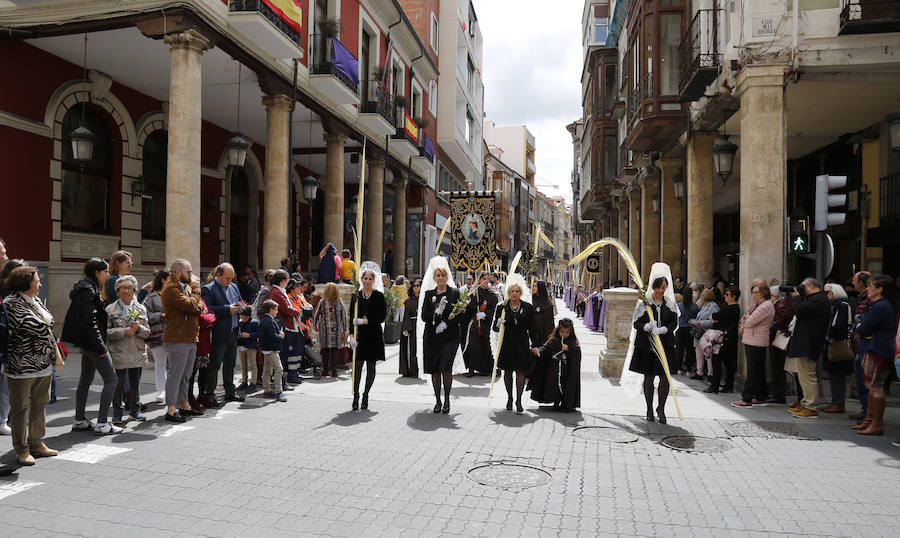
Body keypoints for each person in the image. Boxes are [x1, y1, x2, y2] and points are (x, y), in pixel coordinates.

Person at [3, 265, 58, 465]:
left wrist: (46, 326)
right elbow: (33, 326)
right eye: (37, 281)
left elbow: (49, 324)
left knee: (40, 404)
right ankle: (21, 448)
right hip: (21, 365)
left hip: (43, 363)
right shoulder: (11, 303)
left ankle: (37, 442)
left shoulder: (35, 301)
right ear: (25, 284)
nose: (40, 284)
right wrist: (46, 326)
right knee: (20, 408)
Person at [63, 258, 122, 435]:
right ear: (97, 273)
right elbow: (90, 322)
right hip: (93, 343)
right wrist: (101, 347)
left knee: (86, 379)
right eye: (105, 272)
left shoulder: (85, 288)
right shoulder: (88, 290)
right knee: (112, 380)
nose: (108, 275)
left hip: (86, 343)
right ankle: (103, 423)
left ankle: (79, 419)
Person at [629, 272, 678, 424]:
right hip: (647, 346)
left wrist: (664, 329)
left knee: (665, 378)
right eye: (658, 288)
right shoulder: (644, 303)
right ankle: (649, 408)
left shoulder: (670, 303)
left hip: (665, 345)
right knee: (648, 377)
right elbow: (635, 323)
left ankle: (661, 408)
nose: (661, 291)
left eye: (663, 288)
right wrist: (646, 326)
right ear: (653, 287)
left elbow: (674, 322)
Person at [160, 259, 203, 423]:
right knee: (175, 375)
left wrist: (194, 303)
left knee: (186, 374)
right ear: (177, 272)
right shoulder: (171, 288)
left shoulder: (184, 287)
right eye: (188, 272)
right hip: (177, 338)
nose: (191, 276)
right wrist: (197, 291)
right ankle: (171, 409)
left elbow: (198, 308)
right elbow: (192, 306)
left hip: (189, 336)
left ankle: (184, 405)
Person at [853, 274, 896, 435]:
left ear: (879, 290)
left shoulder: (881, 306)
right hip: (873, 348)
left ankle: (876, 423)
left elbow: (864, 327)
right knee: (870, 386)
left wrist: (860, 325)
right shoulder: (877, 305)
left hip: (879, 349)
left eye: (871, 287)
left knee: (876, 387)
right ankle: (869, 420)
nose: (868, 290)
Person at [492, 274, 541, 414]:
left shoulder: (528, 308)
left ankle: (518, 400)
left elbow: (533, 328)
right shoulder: (502, 307)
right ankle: (509, 397)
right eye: (512, 291)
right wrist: (498, 323)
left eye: (517, 291)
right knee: (507, 372)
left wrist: (535, 345)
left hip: (521, 343)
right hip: (506, 344)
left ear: (520, 293)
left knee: (520, 372)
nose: (514, 293)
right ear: (508, 293)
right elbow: (495, 329)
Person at [105, 275, 150, 424]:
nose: (126, 291)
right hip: (119, 352)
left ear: (134, 291)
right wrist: (122, 331)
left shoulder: (141, 308)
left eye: (129, 288)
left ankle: (134, 411)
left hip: (137, 351)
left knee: (135, 384)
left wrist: (139, 328)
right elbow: (105, 333)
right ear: (117, 291)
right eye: (122, 288)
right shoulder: (110, 309)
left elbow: (147, 332)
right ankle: (117, 414)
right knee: (118, 386)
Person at [786, 278, 831, 418]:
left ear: (811, 286)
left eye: (803, 286)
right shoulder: (815, 299)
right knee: (803, 375)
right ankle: (805, 402)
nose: (800, 289)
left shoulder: (819, 299)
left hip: (810, 343)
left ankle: (811, 407)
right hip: (806, 342)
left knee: (808, 375)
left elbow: (799, 310)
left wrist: (796, 298)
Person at [421, 260, 462, 414]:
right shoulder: (428, 294)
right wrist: (436, 313)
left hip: (450, 337)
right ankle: (438, 400)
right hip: (432, 338)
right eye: (438, 276)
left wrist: (446, 324)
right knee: (435, 369)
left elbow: (460, 315)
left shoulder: (454, 293)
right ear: (434, 278)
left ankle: (447, 400)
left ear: (447, 277)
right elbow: (424, 316)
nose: (441, 278)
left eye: (443, 276)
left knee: (446, 368)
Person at [201, 263, 245, 403]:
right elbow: (207, 308)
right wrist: (227, 309)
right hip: (218, 331)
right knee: (214, 364)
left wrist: (241, 306)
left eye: (232, 278)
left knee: (230, 363)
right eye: (227, 278)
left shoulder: (233, 286)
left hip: (233, 330)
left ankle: (230, 391)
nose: (230, 281)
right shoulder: (208, 289)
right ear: (217, 275)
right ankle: (210, 393)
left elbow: (240, 300)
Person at [348, 263, 387, 410]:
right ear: (362, 279)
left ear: (374, 280)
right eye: (365, 278)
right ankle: (356, 394)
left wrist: (364, 321)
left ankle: (366, 394)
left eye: (370, 279)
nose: (368, 281)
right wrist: (351, 335)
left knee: (371, 366)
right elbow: (351, 317)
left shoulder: (379, 296)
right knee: (357, 366)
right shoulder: (356, 297)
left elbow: (381, 317)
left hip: (374, 335)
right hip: (360, 336)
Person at [732, 284, 775, 408]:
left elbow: (749, 322)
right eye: (753, 292)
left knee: (753, 370)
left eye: (756, 292)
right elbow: (745, 319)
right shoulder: (757, 305)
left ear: (764, 293)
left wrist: (747, 319)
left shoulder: (765, 305)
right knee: (758, 370)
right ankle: (761, 397)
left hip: (757, 340)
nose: (754, 294)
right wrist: (747, 319)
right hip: (752, 340)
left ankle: (747, 399)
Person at [529, 318, 581, 411]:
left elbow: (576, 352)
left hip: (567, 370)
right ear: (558, 331)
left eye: (567, 332)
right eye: (562, 332)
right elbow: (545, 349)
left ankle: (566, 403)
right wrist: (538, 352)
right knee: (554, 385)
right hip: (554, 369)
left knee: (566, 385)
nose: (564, 334)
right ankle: (556, 401)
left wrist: (568, 348)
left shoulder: (573, 342)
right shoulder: (553, 340)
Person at [821, 283, 853, 414]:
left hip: (838, 343)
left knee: (838, 375)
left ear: (836, 292)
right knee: (834, 375)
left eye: (828, 292)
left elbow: (839, 326)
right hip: (831, 343)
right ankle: (836, 401)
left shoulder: (842, 306)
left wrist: (828, 337)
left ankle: (838, 403)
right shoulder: (833, 306)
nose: (826, 295)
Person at [268, 270, 301, 391]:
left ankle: (282, 382)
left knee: (282, 356)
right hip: (282, 326)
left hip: (284, 325)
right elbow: (287, 309)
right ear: (283, 281)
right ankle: (282, 383)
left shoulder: (278, 291)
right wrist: (298, 311)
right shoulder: (277, 292)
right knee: (281, 357)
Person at [462, 273, 499, 377]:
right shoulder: (473, 293)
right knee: (472, 345)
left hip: (486, 324)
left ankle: (484, 368)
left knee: (485, 345)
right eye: (484, 279)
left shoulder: (492, 295)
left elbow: (495, 310)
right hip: (474, 323)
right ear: (479, 280)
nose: (486, 281)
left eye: (488, 279)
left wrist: (485, 314)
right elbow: (467, 309)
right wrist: (472, 310)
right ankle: (471, 368)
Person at [708, 286, 741, 394]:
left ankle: (714, 386)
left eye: (727, 294)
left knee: (717, 361)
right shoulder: (731, 308)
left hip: (725, 339)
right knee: (727, 363)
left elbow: (715, 315)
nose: (724, 296)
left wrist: (716, 318)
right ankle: (728, 385)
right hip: (728, 338)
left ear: (733, 296)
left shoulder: (732, 308)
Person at [142, 269, 169, 403]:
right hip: (158, 332)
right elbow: (144, 315)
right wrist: (160, 315)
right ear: (163, 280)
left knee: (175, 363)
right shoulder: (151, 297)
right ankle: (161, 390)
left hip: (175, 332)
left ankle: (173, 389)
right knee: (160, 363)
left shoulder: (177, 294)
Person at [849, 271, 872, 422]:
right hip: (860, 344)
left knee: (866, 381)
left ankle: (869, 413)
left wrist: (857, 325)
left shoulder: (868, 300)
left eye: (855, 280)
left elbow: (864, 323)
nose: (853, 283)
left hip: (865, 345)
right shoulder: (862, 298)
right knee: (860, 380)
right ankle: (866, 411)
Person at [313, 282, 348, 378]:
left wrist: (315, 326)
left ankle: (325, 369)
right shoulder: (340, 303)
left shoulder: (322, 302)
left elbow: (315, 315)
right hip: (337, 330)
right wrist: (344, 330)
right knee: (334, 350)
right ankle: (334, 370)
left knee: (325, 350)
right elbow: (344, 317)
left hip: (325, 330)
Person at [768, 286, 794, 404]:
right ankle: (777, 393)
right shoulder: (781, 304)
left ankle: (779, 394)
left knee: (778, 368)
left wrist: (767, 327)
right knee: (777, 368)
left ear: (775, 295)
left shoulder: (781, 304)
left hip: (779, 339)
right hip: (777, 338)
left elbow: (778, 322)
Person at [258, 300, 287, 402]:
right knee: (279, 369)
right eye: (276, 309)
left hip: (266, 349)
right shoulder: (269, 321)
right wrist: (281, 335)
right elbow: (272, 336)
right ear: (271, 310)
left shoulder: (264, 319)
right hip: (271, 349)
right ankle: (279, 392)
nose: (277, 311)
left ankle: (267, 390)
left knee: (267, 369)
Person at [688, 288, 720, 381]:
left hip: (707, 333)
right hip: (699, 333)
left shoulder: (713, 306)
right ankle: (699, 372)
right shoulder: (704, 306)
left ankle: (710, 374)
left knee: (707, 354)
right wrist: (695, 321)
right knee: (699, 353)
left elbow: (713, 320)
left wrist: (700, 323)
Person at [399, 279, 421, 377]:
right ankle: (412, 370)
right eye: (414, 285)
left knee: (421, 348)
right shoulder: (408, 301)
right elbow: (406, 315)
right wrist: (405, 328)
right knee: (412, 348)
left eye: (418, 285)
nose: (416, 287)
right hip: (412, 326)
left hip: (422, 325)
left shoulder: (424, 299)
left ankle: (422, 370)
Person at [675, 288, 699, 375]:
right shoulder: (695, 306)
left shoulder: (678, 305)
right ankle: (688, 369)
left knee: (679, 349)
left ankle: (679, 368)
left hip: (680, 328)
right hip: (690, 329)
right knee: (689, 349)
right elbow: (696, 317)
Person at [236, 307, 259, 390]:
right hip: (241, 346)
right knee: (243, 366)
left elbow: (259, 333)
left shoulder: (255, 322)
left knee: (253, 365)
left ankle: (253, 383)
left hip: (251, 346)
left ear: (248, 316)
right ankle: (244, 381)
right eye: (240, 316)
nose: (241, 318)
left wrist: (249, 335)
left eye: (243, 316)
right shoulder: (239, 323)